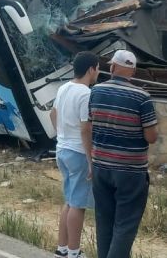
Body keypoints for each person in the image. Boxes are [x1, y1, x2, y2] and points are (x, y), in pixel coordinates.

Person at [89, 50, 158, 258]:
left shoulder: (96, 91)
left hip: (101, 166)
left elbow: (90, 123)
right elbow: (151, 137)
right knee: (125, 226)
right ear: (133, 71)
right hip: (130, 171)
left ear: (112, 67)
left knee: (104, 222)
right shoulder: (142, 97)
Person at [49, 52, 100, 258]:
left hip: (62, 149)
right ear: (90, 69)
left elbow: (52, 114)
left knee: (69, 201)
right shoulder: (86, 93)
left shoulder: (63, 88)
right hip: (78, 152)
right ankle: (74, 252)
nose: (98, 72)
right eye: (97, 68)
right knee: (78, 205)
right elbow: (85, 128)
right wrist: (90, 160)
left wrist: (61, 136)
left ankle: (62, 249)